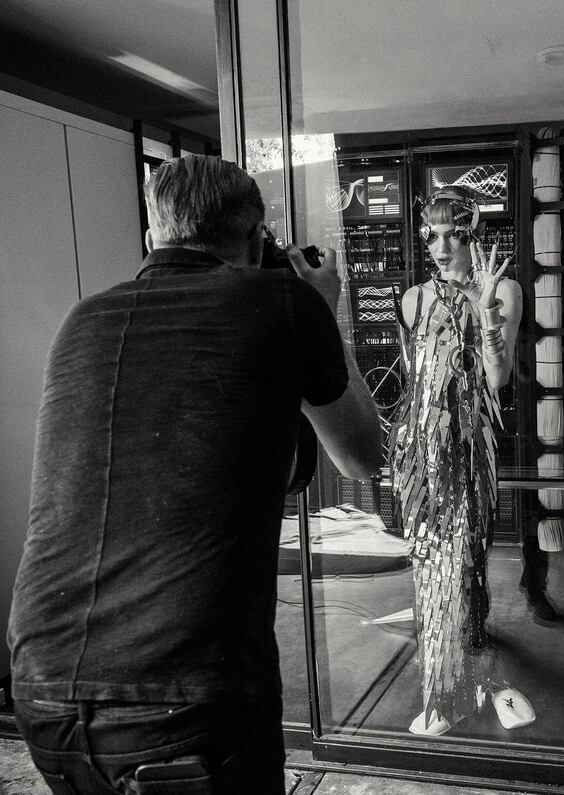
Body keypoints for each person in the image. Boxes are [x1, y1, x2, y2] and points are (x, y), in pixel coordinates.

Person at [7, 154, 382, 794]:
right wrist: (321, 307)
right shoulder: (285, 301)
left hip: (42, 689)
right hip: (187, 702)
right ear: (255, 237)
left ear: (153, 237)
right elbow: (362, 457)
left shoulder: (84, 319)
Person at [390, 185, 522, 735]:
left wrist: (486, 312)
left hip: (467, 452)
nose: (441, 247)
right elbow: (414, 380)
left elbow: (498, 379)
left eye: (455, 235)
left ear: (475, 237)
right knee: (431, 564)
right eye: (433, 235)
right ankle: (451, 681)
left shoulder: (504, 290)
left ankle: (451, 690)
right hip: (418, 451)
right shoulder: (413, 299)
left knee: (460, 561)